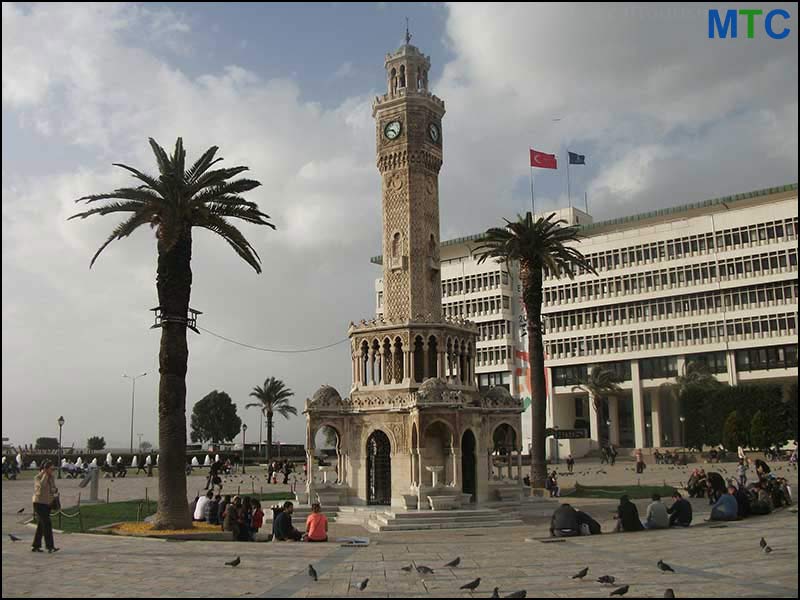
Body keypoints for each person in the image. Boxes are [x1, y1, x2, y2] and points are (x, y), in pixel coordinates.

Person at [31, 460, 60, 553]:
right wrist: (44, 474)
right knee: (47, 524)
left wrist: (54, 489)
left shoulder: (52, 477)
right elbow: (42, 486)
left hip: (47, 503)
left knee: (41, 525)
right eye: (51, 469)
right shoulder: (37, 477)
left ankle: (36, 545)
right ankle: (50, 546)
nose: (52, 471)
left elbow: (53, 488)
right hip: (39, 503)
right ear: (45, 469)